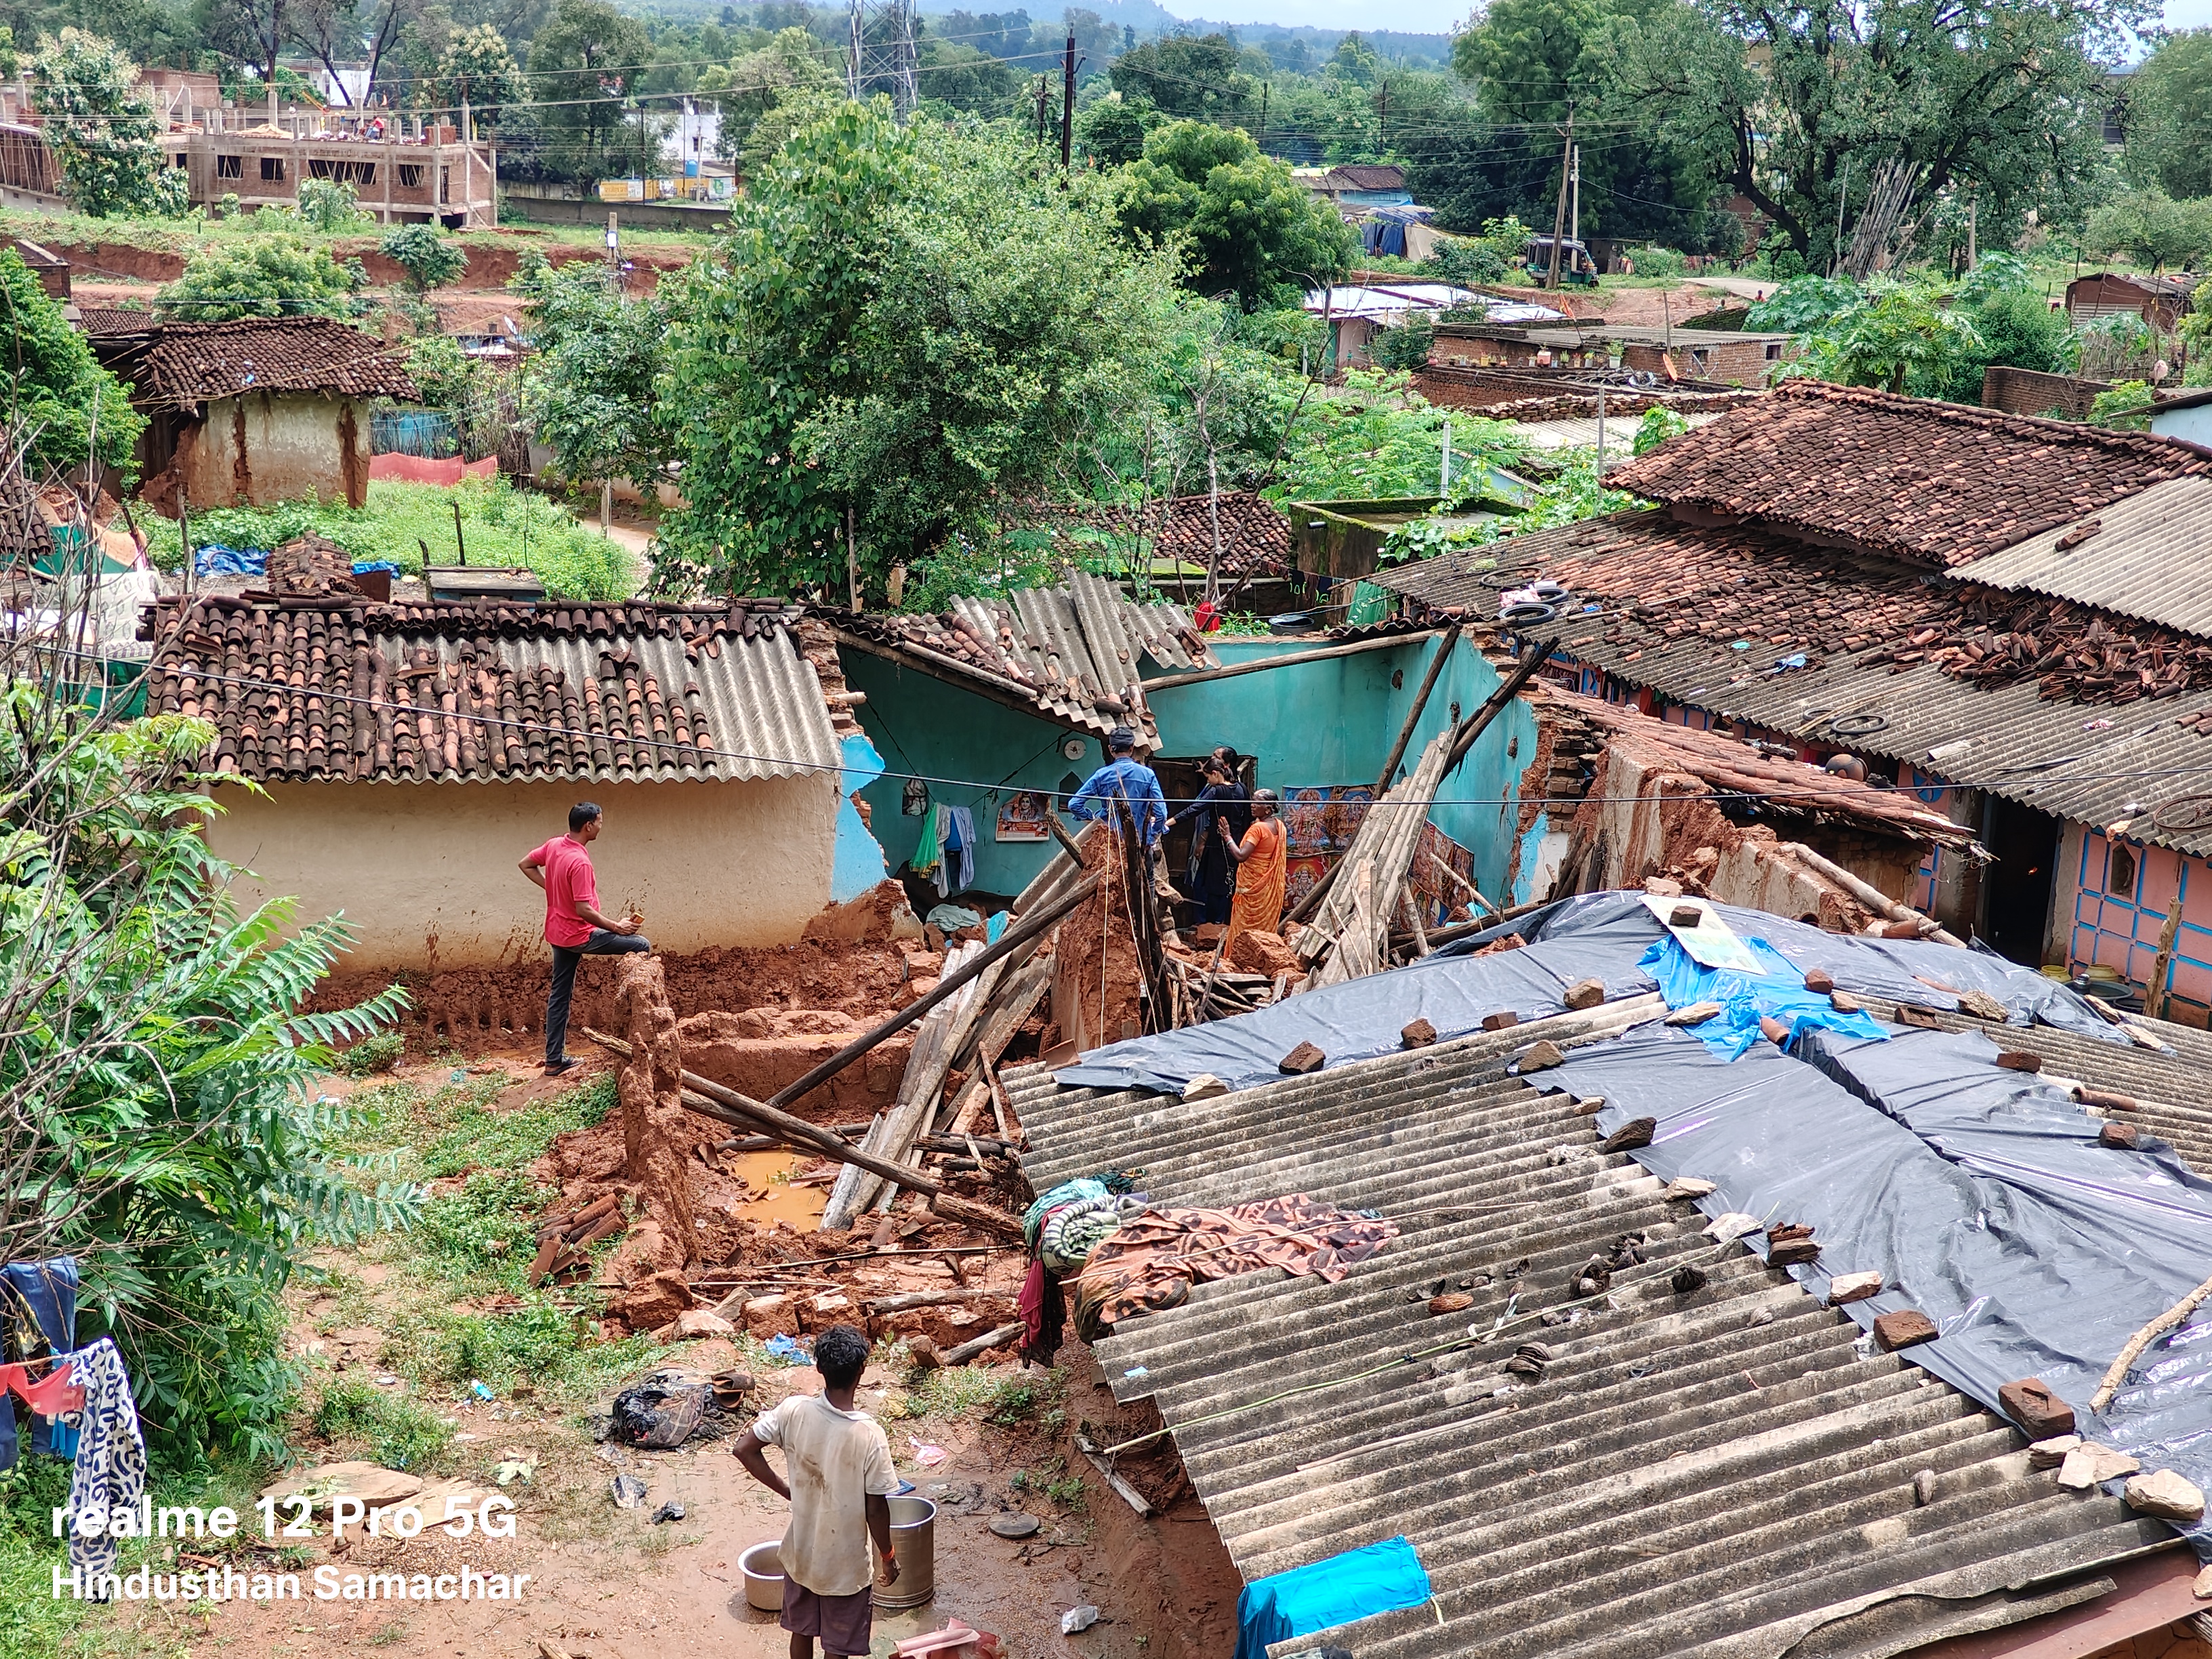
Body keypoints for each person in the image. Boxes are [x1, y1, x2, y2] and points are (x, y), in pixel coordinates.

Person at [731, 1324, 899, 1659]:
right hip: (845, 1568)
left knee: (802, 1631)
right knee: (837, 1647)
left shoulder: (794, 1410)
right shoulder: (868, 1435)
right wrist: (888, 1557)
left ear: (819, 1368)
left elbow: (744, 1449)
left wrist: (786, 1490)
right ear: (862, 1370)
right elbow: (876, 1509)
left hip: (801, 1556)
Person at [518, 802, 650, 1076]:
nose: (602, 826)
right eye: (600, 821)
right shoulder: (580, 862)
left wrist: (554, 888)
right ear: (589, 826)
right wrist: (618, 927)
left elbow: (526, 864)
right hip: (579, 935)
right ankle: (641, 1021)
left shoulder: (555, 845)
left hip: (557, 932)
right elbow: (584, 911)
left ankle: (554, 1061)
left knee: (559, 996)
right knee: (641, 945)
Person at [1166, 752, 1250, 926]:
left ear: (1215, 774)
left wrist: (1168, 823)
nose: (1208, 782)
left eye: (1207, 778)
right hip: (1235, 845)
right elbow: (1246, 819)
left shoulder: (1217, 791)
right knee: (1225, 885)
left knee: (1207, 886)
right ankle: (1217, 922)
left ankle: (1209, 925)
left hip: (1217, 846)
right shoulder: (1242, 789)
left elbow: (1194, 809)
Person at [1066, 726, 1166, 847]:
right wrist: (1151, 839)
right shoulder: (1148, 775)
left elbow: (1074, 805)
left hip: (1110, 846)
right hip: (1139, 844)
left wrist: (1094, 820)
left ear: (1110, 749)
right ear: (1131, 748)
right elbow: (1161, 814)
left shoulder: (1102, 775)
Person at [1221, 788, 1287, 949]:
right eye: (1253, 801)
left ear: (1268, 809)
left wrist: (1227, 836)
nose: (1252, 805)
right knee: (1262, 933)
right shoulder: (1280, 827)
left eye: (1257, 803)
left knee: (1244, 930)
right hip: (1267, 890)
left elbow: (1241, 856)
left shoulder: (1258, 829)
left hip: (1250, 890)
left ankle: (1240, 958)